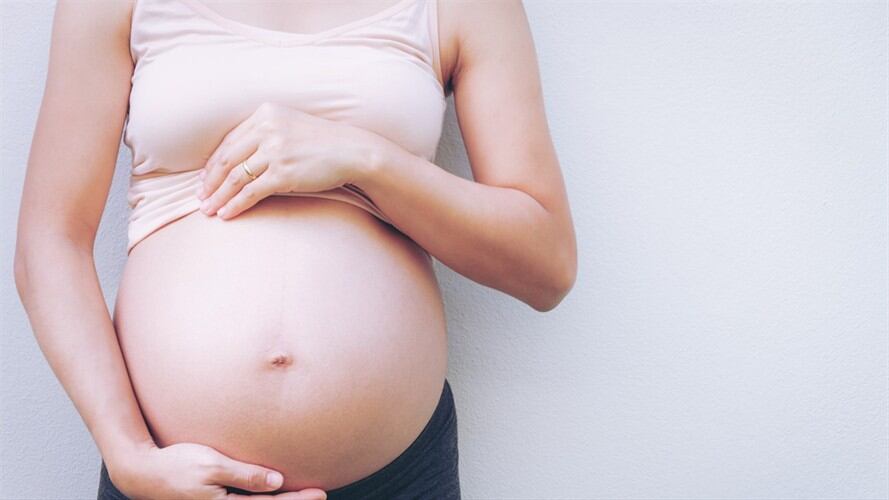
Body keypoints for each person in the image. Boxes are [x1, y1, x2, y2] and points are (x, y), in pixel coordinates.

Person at [13, 0, 577, 498]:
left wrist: (363, 158)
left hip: (397, 479)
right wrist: (129, 454)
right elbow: (51, 240)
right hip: (169, 479)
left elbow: (545, 264)